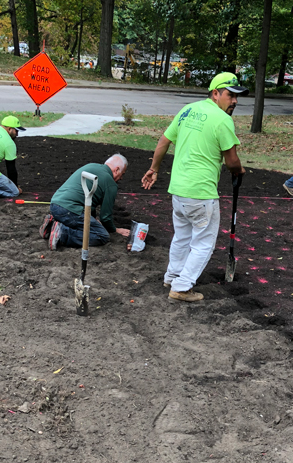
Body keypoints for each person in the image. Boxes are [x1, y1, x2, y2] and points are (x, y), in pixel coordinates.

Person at [141, 72, 247, 302]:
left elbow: (164, 141)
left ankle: (172, 276)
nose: (235, 102)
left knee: (181, 237)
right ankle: (181, 287)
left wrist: (155, 169)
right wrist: (239, 171)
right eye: (231, 96)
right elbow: (231, 161)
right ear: (216, 93)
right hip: (201, 194)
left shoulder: (188, 110)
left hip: (178, 191)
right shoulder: (223, 120)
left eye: (237, 97)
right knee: (203, 244)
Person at [41, 154, 131, 250]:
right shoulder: (110, 183)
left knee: (85, 225)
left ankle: (52, 226)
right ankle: (62, 234)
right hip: (69, 210)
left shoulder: (91, 166)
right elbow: (105, 217)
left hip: (55, 205)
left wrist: (94, 219)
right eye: (123, 174)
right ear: (116, 170)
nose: (121, 178)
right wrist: (114, 230)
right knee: (102, 235)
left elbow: (87, 200)